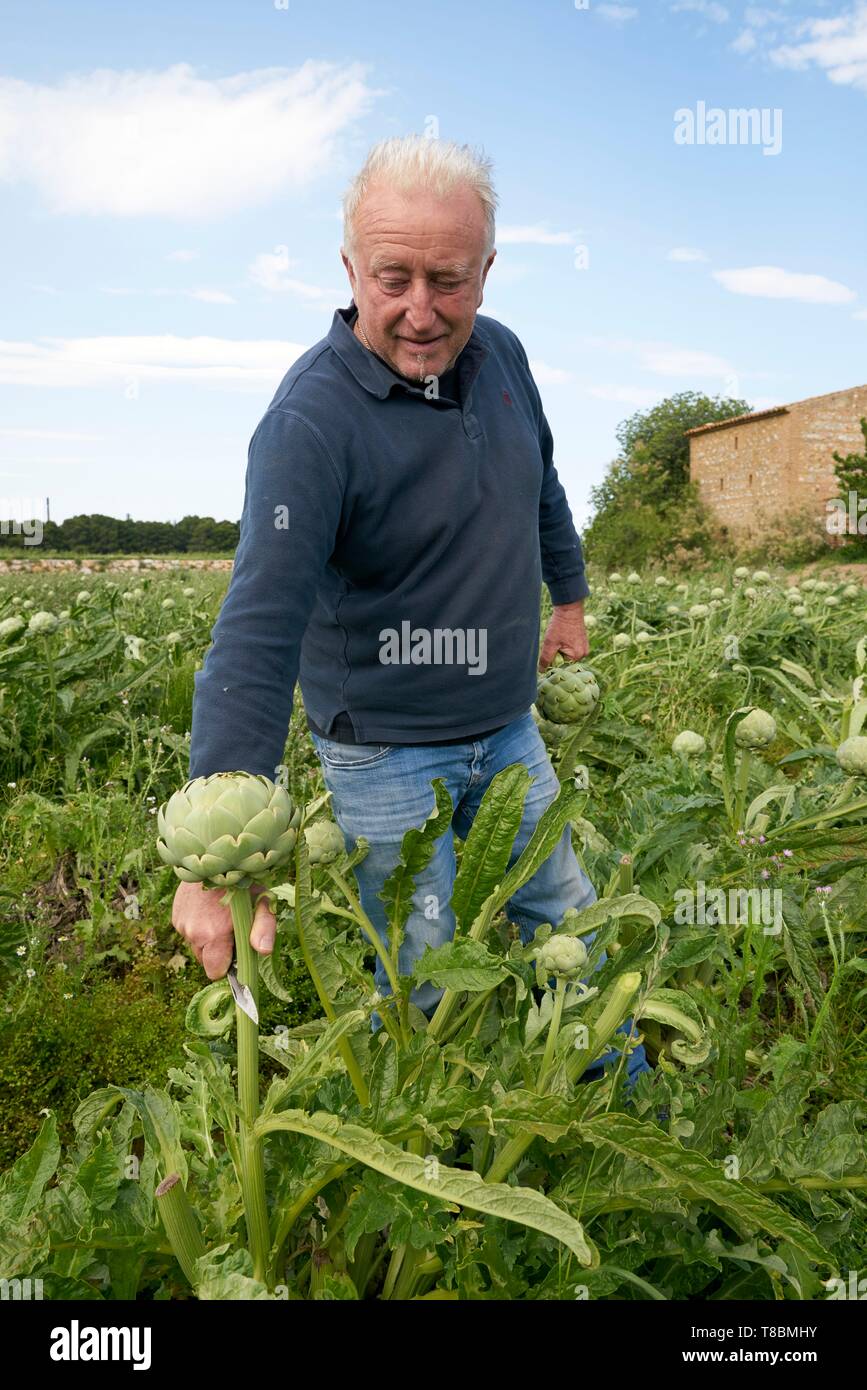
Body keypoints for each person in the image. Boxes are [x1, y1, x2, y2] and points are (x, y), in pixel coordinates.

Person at [172, 134, 649, 1087]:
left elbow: (542, 484)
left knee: (568, 920)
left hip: (510, 728)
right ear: (350, 267)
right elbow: (261, 621)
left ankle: (620, 1113)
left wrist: (571, 600)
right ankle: (455, 1166)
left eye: (449, 279)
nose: (421, 311)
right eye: (393, 277)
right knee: (426, 980)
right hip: (388, 752)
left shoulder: (503, 356)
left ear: (486, 273)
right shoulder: (310, 423)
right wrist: (215, 847)